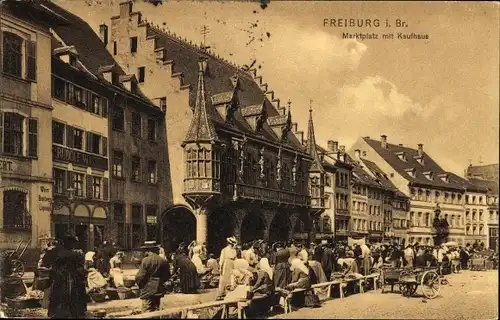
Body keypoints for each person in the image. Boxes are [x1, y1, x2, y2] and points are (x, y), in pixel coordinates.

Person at [47, 234, 88, 319]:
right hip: (69, 279)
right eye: (72, 243)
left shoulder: (58, 252)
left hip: (61, 278)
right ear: (69, 243)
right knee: (70, 297)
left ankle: (56, 313)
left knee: (58, 296)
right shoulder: (74, 254)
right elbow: (79, 268)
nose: (74, 245)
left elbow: (51, 266)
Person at [135, 241, 170, 313]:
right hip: (159, 289)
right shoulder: (163, 260)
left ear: (148, 251)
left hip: (148, 289)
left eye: (145, 251)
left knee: (147, 310)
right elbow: (167, 275)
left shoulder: (146, 260)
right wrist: (160, 282)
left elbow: (140, 276)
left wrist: (141, 285)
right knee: (156, 310)